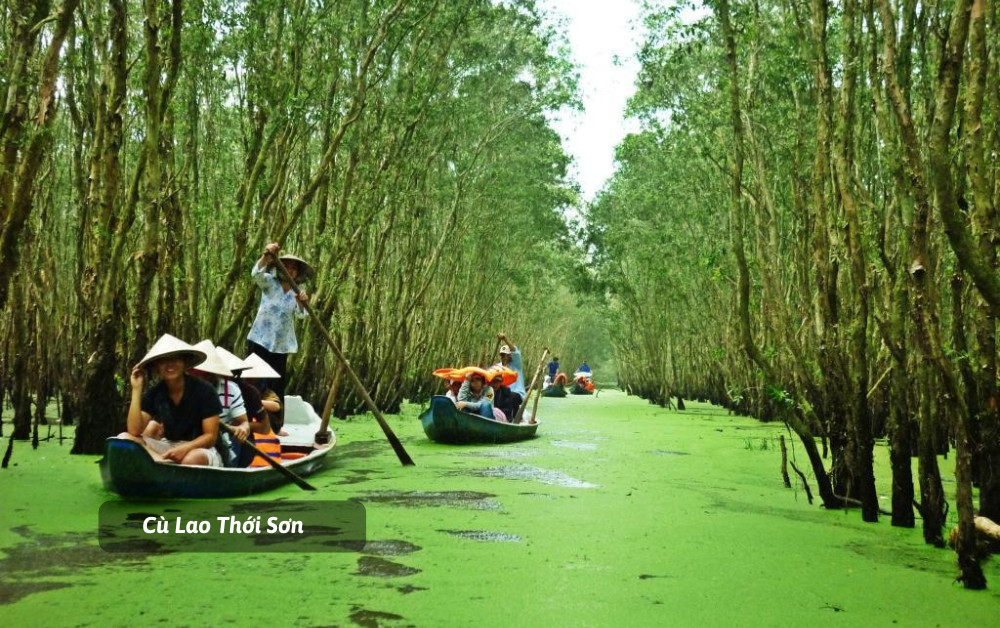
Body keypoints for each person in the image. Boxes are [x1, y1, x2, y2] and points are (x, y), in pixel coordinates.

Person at [121, 334, 223, 467]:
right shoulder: (155, 393)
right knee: (124, 438)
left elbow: (210, 437)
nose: (170, 364)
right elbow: (134, 431)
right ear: (157, 366)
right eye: (164, 361)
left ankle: (161, 465)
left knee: (190, 460)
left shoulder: (205, 390)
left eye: (175, 359)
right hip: (169, 447)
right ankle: (161, 462)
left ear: (184, 363)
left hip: (201, 449)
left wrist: (186, 448)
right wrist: (136, 389)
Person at [246, 242, 313, 404]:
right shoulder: (270, 282)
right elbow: (256, 274)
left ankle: (276, 423)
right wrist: (266, 255)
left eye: (293, 268)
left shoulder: (297, 292)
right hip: (260, 339)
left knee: (277, 382)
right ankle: (249, 416)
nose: (289, 270)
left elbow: (302, 315)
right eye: (286, 266)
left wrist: (302, 302)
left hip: (281, 344)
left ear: (297, 273)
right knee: (253, 379)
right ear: (279, 267)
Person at [216, 346, 281, 468]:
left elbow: (265, 427)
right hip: (208, 442)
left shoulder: (250, 392)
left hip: (242, 443)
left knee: (234, 441)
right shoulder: (197, 388)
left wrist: (234, 427)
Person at [188, 340, 250, 467]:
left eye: (207, 374)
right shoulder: (179, 388)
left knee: (194, 458)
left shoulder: (231, 389)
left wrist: (242, 429)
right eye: (198, 374)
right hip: (182, 440)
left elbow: (243, 423)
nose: (203, 379)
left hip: (217, 445)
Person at [494, 333, 526, 403]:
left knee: (510, 396)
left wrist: (505, 339)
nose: (505, 357)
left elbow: (515, 352)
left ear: (511, 356)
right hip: (501, 394)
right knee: (489, 395)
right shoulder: (497, 367)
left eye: (507, 355)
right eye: (502, 355)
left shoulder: (517, 365)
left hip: (516, 394)